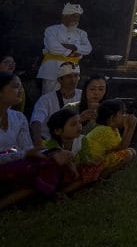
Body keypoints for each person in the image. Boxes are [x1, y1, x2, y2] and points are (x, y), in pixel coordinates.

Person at [0, 72, 75, 208]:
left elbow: (27, 148)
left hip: (14, 165)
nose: (21, 91)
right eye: (16, 87)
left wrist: (53, 152)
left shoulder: (19, 117)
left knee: (53, 161)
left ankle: (20, 197)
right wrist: (24, 155)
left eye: (22, 87)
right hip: (7, 166)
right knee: (39, 168)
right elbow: (24, 153)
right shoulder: (47, 100)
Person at [38, 3, 92, 94]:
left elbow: (88, 49)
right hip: (53, 69)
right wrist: (73, 52)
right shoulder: (51, 30)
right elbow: (53, 48)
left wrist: (74, 47)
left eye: (78, 17)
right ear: (64, 16)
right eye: (73, 16)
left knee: (70, 98)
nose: (76, 19)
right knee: (49, 96)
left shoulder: (82, 33)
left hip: (72, 71)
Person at [79, 99, 137, 179]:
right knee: (128, 154)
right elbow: (123, 147)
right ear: (112, 117)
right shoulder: (105, 130)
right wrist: (130, 128)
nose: (125, 115)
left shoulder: (112, 129)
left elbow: (119, 147)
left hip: (97, 160)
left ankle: (101, 174)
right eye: (122, 113)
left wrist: (127, 128)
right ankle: (102, 176)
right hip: (91, 164)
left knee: (131, 151)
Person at [30, 62, 82, 146]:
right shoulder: (46, 99)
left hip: (77, 143)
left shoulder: (84, 96)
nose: (73, 80)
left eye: (76, 76)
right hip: (50, 143)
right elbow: (36, 121)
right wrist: (37, 139)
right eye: (69, 76)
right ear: (59, 80)